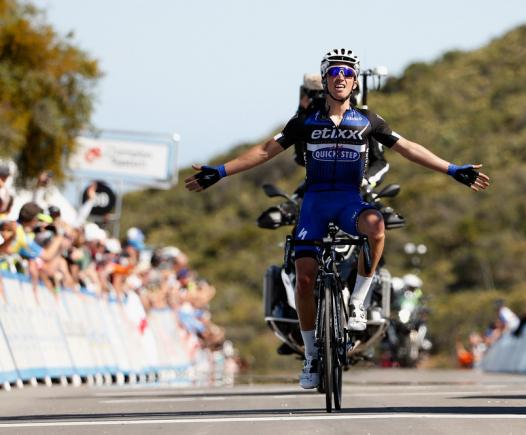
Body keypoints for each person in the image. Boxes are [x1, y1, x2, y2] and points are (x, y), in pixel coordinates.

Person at [185, 48, 490, 389]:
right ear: (326, 80)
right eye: (334, 73)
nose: (341, 78)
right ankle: (313, 354)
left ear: (355, 81)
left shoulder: (368, 121)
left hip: (349, 203)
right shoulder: (305, 122)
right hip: (314, 204)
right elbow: (263, 151)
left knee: (376, 226)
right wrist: (220, 172)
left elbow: (408, 148)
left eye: (347, 73)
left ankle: (357, 301)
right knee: (303, 278)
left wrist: (452, 169)